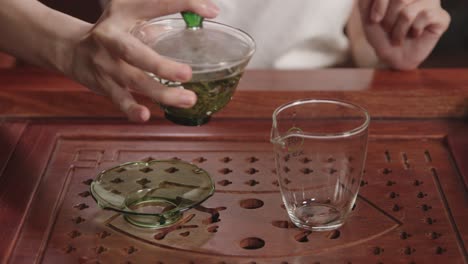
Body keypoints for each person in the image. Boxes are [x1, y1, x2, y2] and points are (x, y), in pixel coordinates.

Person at [0, 0, 450, 122]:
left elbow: (346, 28)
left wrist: (384, 52)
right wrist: (68, 43)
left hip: (310, 114)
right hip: (137, 103)